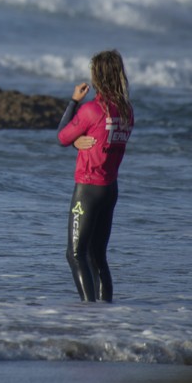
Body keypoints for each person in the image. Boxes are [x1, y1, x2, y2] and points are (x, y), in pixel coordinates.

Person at [56, 50, 135, 302]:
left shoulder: (92, 110)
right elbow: (102, 139)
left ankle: (88, 313)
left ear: (98, 76)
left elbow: (61, 136)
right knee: (98, 256)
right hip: (110, 188)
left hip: (88, 189)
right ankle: (105, 315)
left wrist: (73, 102)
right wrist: (78, 141)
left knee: (76, 255)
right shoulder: (126, 111)